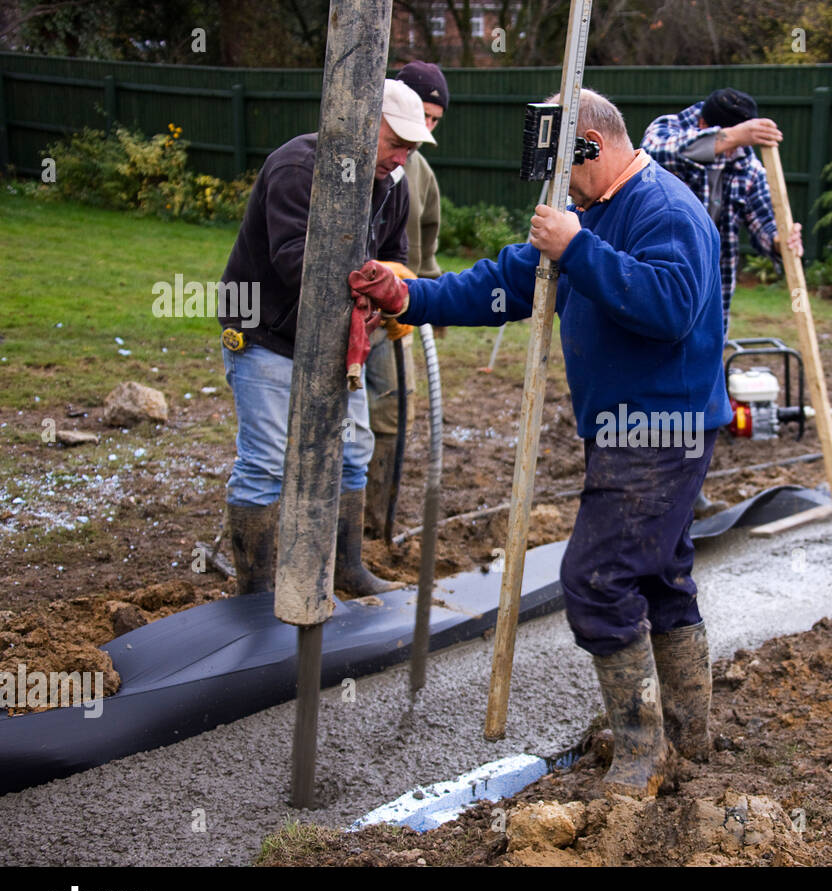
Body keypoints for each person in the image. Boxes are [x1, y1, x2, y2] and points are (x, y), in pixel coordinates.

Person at [349, 89, 728, 798]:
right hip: (626, 429)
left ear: (590, 143)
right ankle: (688, 735)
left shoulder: (663, 209)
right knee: (659, 575)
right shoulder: (583, 215)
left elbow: (671, 309)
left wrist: (578, 248)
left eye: (562, 163)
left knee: (596, 580)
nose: (555, 184)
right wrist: (411, 300)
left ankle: (646, 755)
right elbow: (504, 285)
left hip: (662, 429)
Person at [219, 79, 434, 597]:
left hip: (341, 336)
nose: (403, 154)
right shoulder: (297, 168)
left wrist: (396, 290)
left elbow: (396, 254)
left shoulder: (394, 181)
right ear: (361, 124)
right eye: (396, 141)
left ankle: (346, 569)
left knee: (353, 450)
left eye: (411, 145)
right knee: (268, 459)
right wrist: (372, 280)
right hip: (264, 328)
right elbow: (296, 261)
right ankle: (256, 591)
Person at [362, 62, 451, 537]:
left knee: (394, 414)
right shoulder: (349, 159)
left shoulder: (419, 174)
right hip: (340, 311)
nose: (426, 130)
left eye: (435, 121)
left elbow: (425, 242)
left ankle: (375, 526)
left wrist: (429, 301)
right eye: (421, 118)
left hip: (397, 312)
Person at [640, 87, 804, 330]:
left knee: (708, 348)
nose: (732, 152)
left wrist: (781, 240)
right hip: (659, 266)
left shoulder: (747, 167)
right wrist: (730, 136)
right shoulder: (668, 128)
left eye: (739, 145)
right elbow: (653, 153)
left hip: (714, 278)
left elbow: (764, 224)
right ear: (703, 124)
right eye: (731, 143)